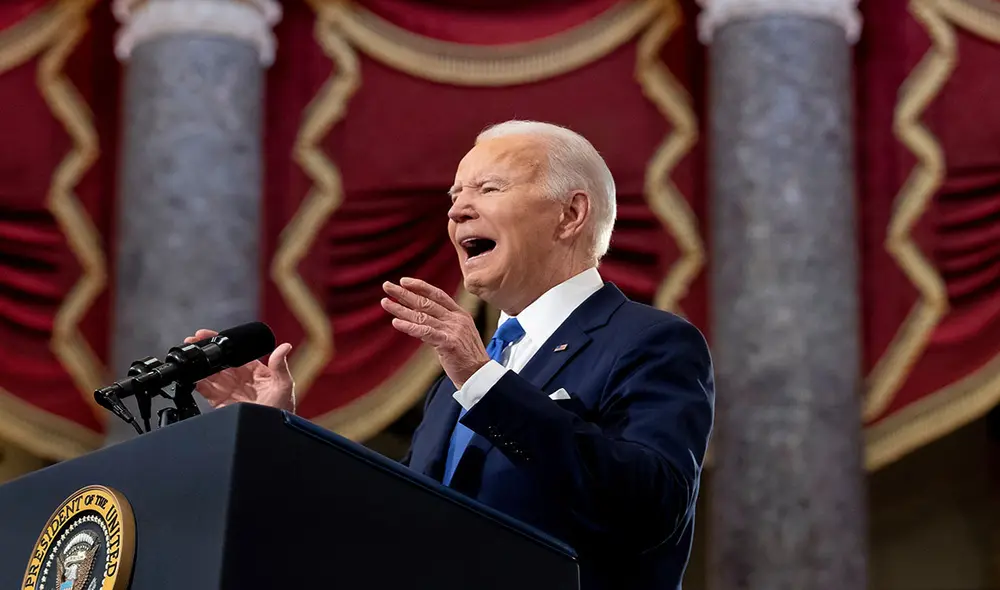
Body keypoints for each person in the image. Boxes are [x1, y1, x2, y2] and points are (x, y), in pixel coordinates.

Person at [185, 120, 714, 590]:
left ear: (571, 214)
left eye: (488, 188)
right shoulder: (453, 387)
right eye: (455, 195)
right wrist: (276, 435)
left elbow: (649, 509)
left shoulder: (650, 342)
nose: (458, 209)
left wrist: (484, 382)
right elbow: (387, 525)